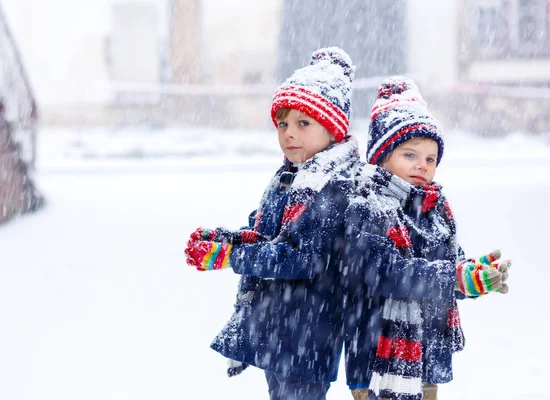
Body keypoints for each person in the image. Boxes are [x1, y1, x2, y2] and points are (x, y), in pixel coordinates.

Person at [185, 47, 360, 400]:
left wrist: (231, 258)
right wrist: (225, 241)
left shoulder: (333, 188)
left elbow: (301, 258)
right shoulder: (290, 177)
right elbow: (265, 234)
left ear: (334, 129)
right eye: (283, 123)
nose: (289, 133)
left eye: (303, 123)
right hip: (280, 330)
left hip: (309, 334)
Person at [342, 76, 510, 400]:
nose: (422, 165)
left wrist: (473, 274)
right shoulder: (369, 208)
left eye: (430, 159)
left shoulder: (435, 210)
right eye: (410, 155)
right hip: (379, 360)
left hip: (427, 354)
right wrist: (455, 278)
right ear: (381, 156)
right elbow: (389, 275)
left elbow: (448, 269)